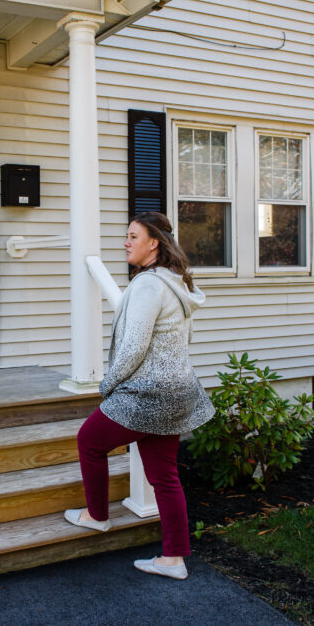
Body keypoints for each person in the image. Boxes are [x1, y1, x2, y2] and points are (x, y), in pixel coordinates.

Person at [64, 211, 215, 580]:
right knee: (164, 475)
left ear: (154, 244)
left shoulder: (148, 285)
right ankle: (173, 559)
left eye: (133, 236)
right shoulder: (175, 281)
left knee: (89, 441)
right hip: (176, 392)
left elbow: (133, 348)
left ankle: (96, 515)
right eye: (127, 236)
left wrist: (108, 385)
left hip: (146, 393)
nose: (126, 242)